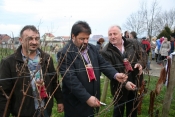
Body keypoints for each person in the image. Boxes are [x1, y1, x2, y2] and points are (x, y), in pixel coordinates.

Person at [57, 21, 136, 117]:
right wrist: (86, 97)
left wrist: (115, 75)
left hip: (93, 98)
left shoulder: (92, 49)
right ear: (73, 36)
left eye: (87, 38)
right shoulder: (65, 53)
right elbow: (70, 80)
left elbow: (103, 64)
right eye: (82, 38)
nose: (86, 41)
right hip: (76, 103)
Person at [0, 25, 64, 117]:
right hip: (23, 111)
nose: (34, 42)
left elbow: (54, 81)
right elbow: (4, 93)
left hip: (44, 108)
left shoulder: (46, 59)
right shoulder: (9, 62)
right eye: (30, 39)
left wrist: (60, 100)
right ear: (21, 40)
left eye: (37, 39)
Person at [100, 25, 147, 117]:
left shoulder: (133, 43)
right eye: (110, 34)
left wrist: (141, 63)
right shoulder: (105, 51)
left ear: (121, 34)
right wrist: (125, 83)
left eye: (115, 34)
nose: (112, 36)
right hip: (118, 86)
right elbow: (109, 70)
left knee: (133, 110)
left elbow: (143, 55)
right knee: (118, 111)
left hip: (135, 81)